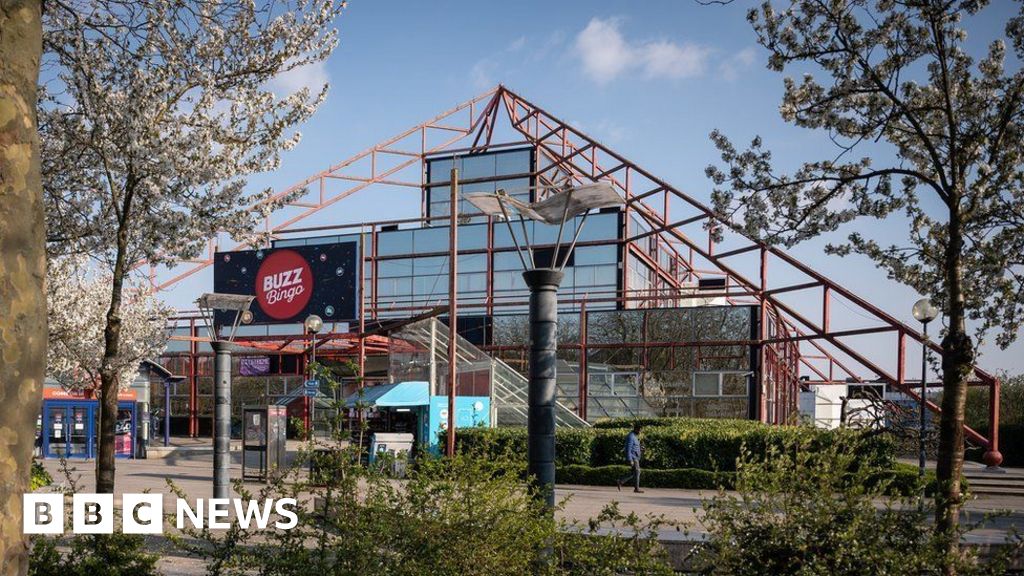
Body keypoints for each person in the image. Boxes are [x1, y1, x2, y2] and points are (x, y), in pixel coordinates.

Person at [617, 423, 643, 493]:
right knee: (637, 472)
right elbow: (628, 448)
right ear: (636, 429)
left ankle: (620, 481)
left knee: (633, 473)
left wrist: (640, 448)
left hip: (636, 457)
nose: (640, 432)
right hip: (633, 457)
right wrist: (630, 459)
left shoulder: (634, 436)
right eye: (640, 430)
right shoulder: (631, 436)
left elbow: (635, 446)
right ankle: (636, 488)